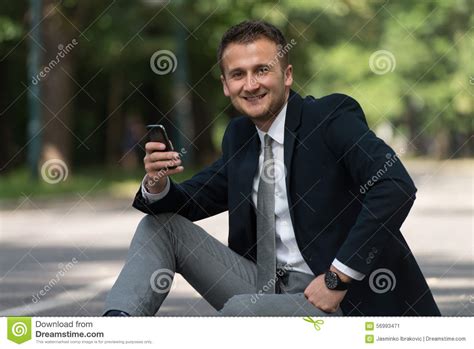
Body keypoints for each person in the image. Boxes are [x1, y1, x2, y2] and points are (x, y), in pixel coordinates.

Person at [104, 20, 440, 316]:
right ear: (225, 84)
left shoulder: (329, 118)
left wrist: (339, 276)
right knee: (159, 228)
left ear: (287, 74)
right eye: (238, 74)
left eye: (262, 70)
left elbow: (395, 185)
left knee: (240, 311)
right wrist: (156, 183)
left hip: (338, 299)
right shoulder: (240, 136)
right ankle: (117, 330)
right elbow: (191, 200)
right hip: (263, 288)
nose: (250, 85)